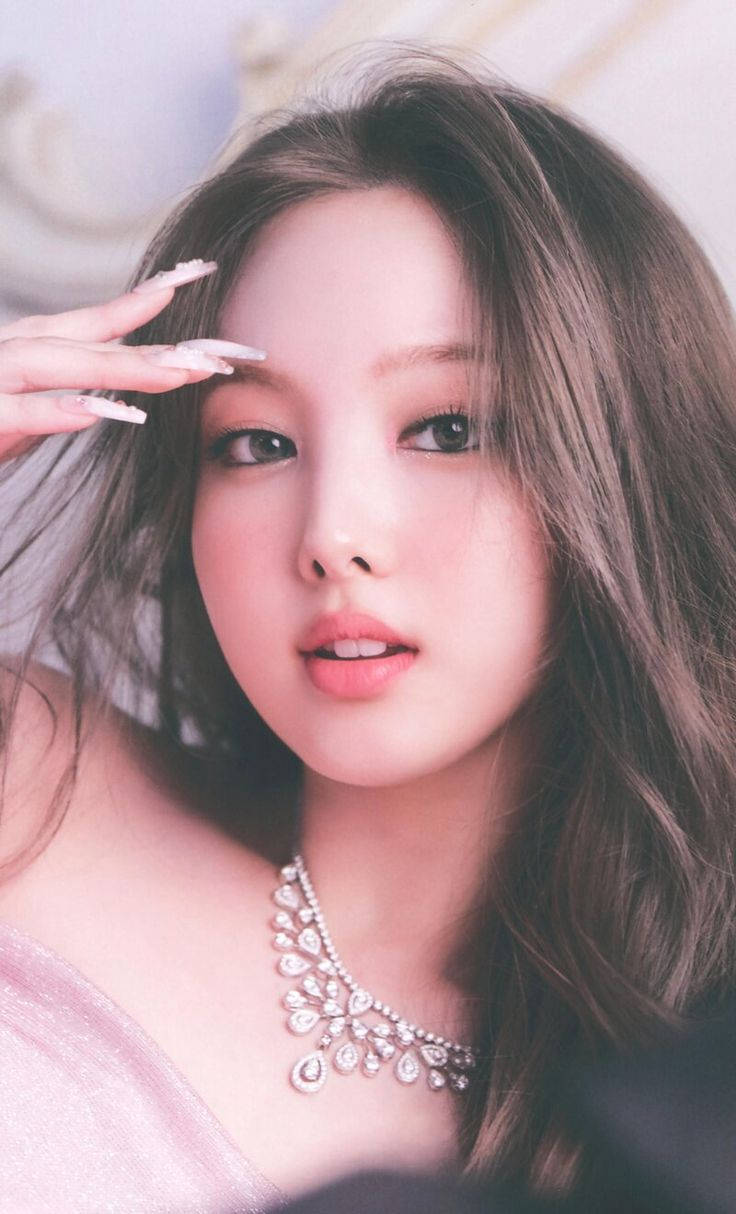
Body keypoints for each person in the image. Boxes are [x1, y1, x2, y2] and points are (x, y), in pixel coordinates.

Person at [0, 42, 733, 1214]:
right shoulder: (31, 779)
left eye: (448, 428)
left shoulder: (664, 1119)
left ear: (627, 462)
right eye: (255, 442)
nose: (332, 535)